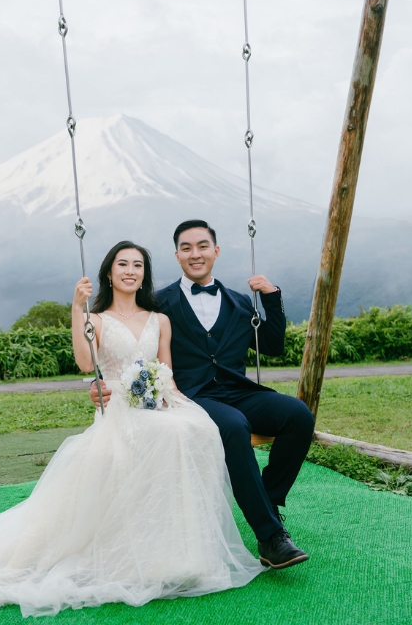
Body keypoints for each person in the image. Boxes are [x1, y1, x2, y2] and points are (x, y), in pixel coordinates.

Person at [0, 241, 264, 617]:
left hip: (155, 402)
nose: (131, 271)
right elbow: (88, 365)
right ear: (108, 272)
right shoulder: (97, 319)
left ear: (145, 275)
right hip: (119, 406)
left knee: (197, 429)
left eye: (138, 265)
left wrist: (171, 398)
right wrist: (76, 308)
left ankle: (182, 554)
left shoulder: (160, 319)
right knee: (170, 435)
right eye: (123, 264)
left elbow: (166, 371)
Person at [90, 219, 313, 570]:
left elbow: (272, 346)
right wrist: (100, 384)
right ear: (177, 255)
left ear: (215, 251)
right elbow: (128, 345)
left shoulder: (240, 303)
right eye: (187, 248)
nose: (196, 254)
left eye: (202, 246)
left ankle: (268, 501)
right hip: (191, 395)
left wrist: (272, 296)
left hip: (237, 390)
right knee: (234, 426)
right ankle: (271, 537)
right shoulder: (159, 303)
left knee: (298, 415)